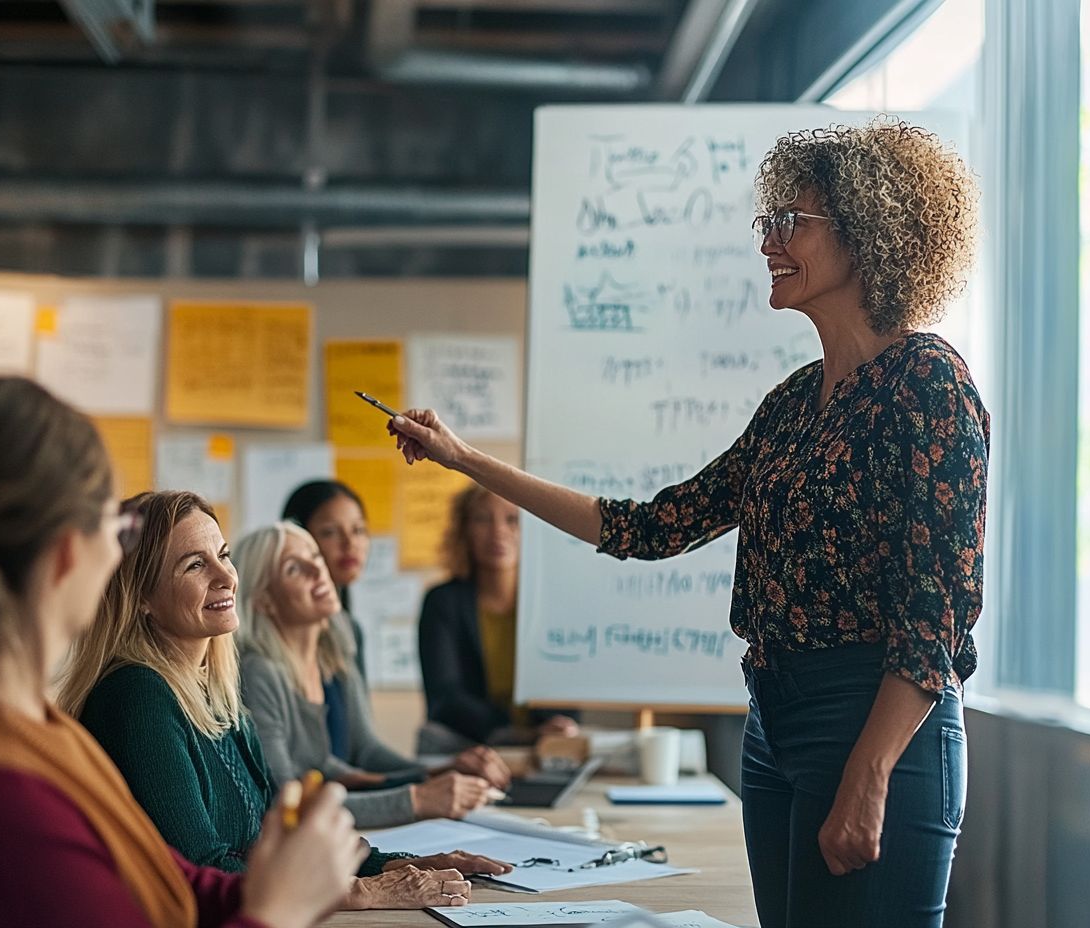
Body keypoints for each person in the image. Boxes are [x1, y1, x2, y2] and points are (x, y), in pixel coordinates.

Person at [384, 118, 987, 928]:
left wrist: (868, 774)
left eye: (789, 223)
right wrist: (466, 460)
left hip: (878, 726)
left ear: (865, 234)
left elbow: (935, 613)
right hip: (774, 723)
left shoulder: (928, 383)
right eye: (766, 223)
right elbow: (649, 527)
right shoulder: (791, 405)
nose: (768, 241)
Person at [0, 377, 363, 928]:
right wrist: (278, 911)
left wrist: (320, 879)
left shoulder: (33, 726)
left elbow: (169, 878)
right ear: (64, 553)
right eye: (116, 526)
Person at [56, 490, 504, 911]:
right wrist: (362, 890)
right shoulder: (136, 696)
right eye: (195, 565)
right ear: (142, 599)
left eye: (224, 556)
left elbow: (281, 825)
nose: (225, 575)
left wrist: (395, 864)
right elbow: (200, 871)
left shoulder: (216, 689)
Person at [231, 520, 512, 829]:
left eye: (314, 556)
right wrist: (416, 798)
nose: (317, 570)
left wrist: (435, 775)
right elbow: (283, 799)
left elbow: (339, 759)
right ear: (263, 601)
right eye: (293, 569)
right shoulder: (260, 672)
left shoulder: (333, 647)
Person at [418, 485, 579, 748]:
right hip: (466, 744)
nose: (498, 532)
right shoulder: (442, 602)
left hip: (545, 744)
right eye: (482, 519)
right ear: (464, 531)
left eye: (512, 520)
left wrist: (556, 725)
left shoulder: (554, 602)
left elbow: (568, 680)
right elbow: (445, 697)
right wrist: (512, 732)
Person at [280, 480, 371, 683]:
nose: (350, 543)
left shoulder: (350, 628)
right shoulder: (282, 633)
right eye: (330, 532)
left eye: (358, 530)